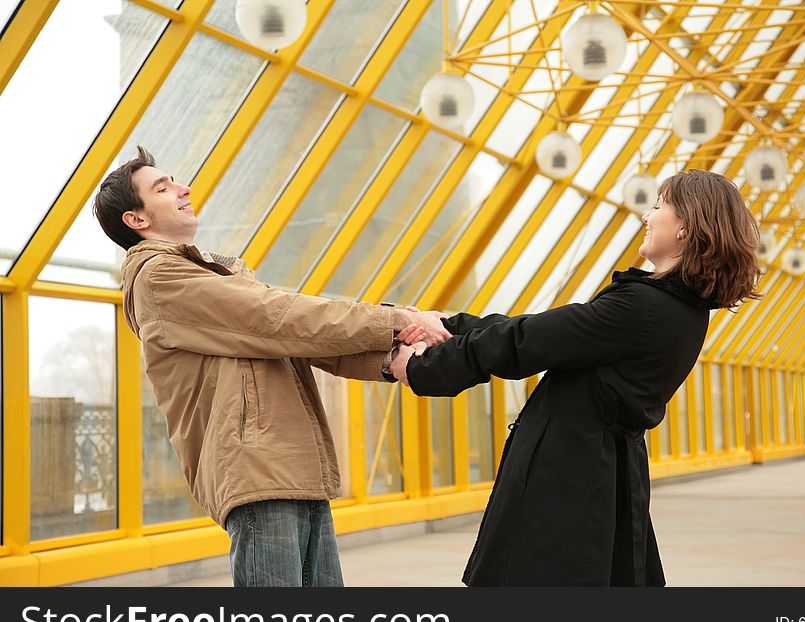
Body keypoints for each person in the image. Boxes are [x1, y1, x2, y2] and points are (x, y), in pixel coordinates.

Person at [93, 146, 451, 587]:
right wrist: (395, 320)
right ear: (137, 220)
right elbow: (278, 316)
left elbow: (297, 340)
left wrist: (392, 357)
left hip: (289, 464)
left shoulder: (207, 274)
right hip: (257, 468)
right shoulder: (159, 278)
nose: (184, 188)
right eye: (163, 187)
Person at [389, 169, 763, 586]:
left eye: (659, 205)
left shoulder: (641, 307)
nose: (646, 215)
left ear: (686, 227)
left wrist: (418, 367)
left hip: (569, 484)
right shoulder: (683, 312)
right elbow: (545, 334)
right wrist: (450, 325)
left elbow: (526, 343)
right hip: (601, 478)